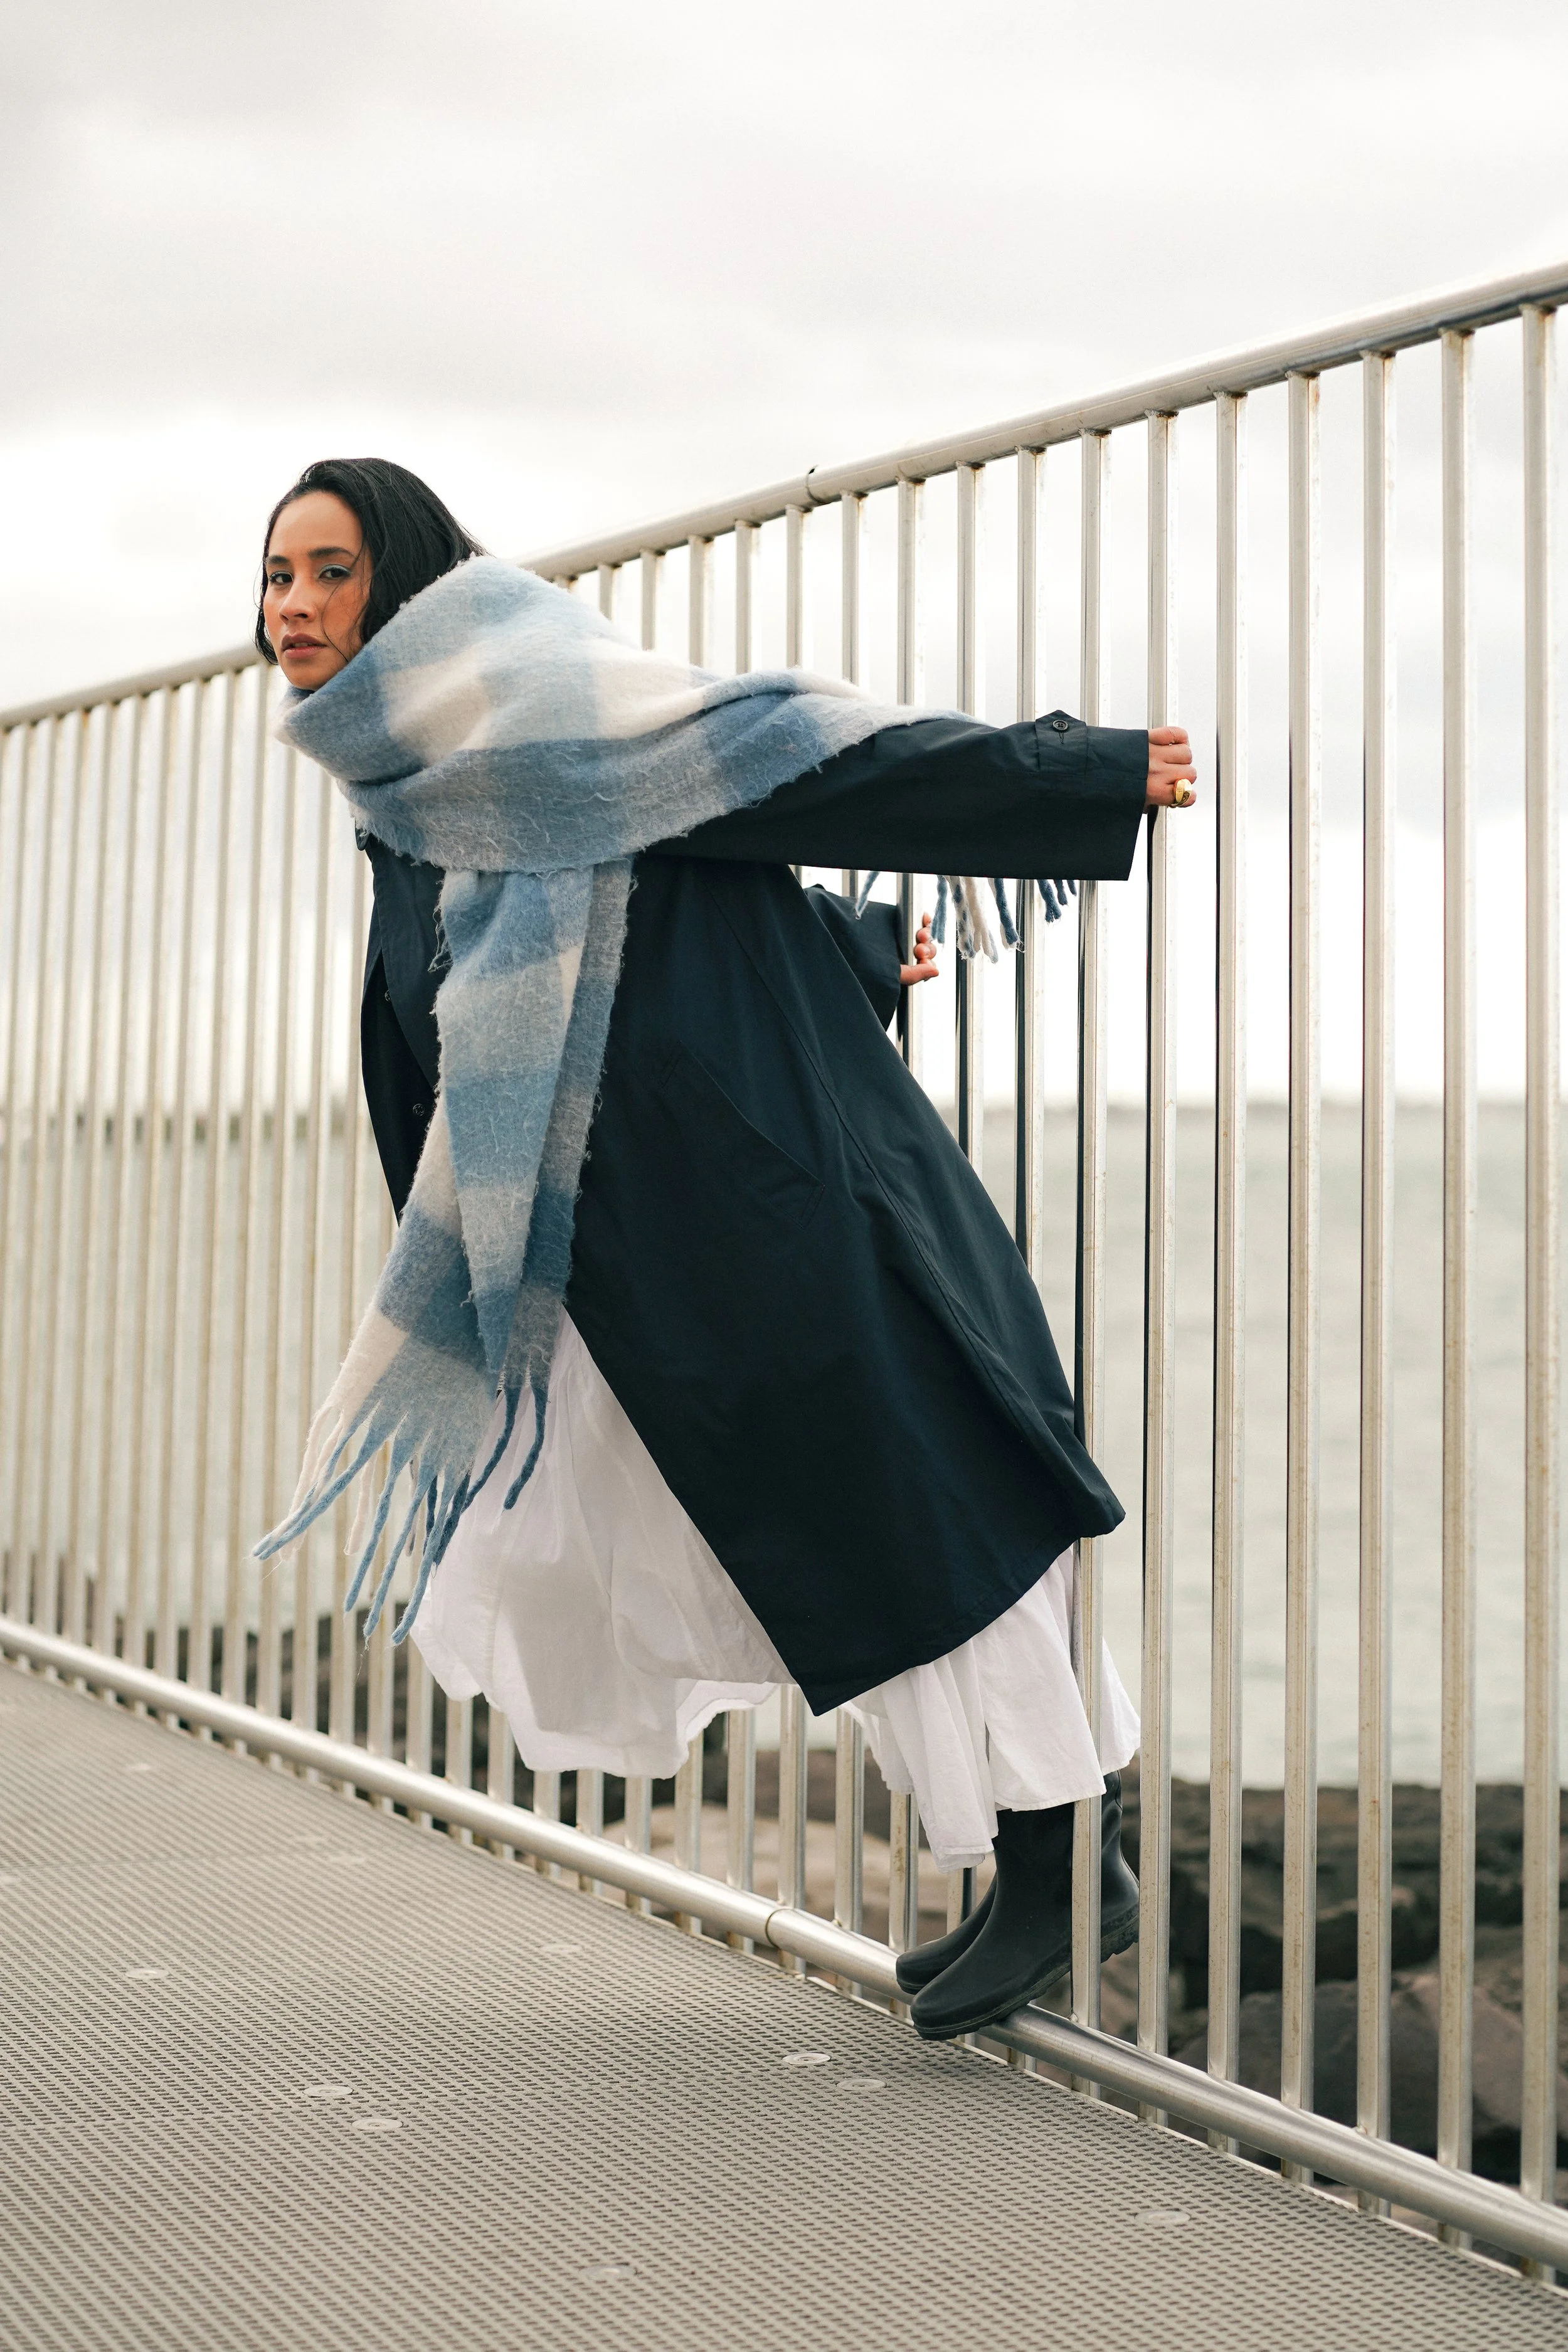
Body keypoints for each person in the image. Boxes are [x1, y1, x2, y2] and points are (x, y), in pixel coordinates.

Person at [256, 457, 1198, 2040]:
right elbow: (642, 905)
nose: (294, 607)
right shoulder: (408, 771)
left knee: (913, 1502)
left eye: (330, 572)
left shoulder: (543, 704)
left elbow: (792, 765)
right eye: (278, 577)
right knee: (817, 1523)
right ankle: (1049, 1852)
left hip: (765, 1192)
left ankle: (1055, 1861)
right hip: (633, 1230)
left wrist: (1070, 775)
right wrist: (845, 944)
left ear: (402, 580)